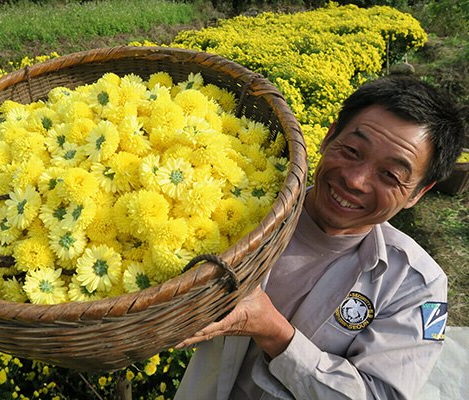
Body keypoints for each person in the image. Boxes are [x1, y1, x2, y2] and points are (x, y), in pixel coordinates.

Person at [174, 75, 466, 399]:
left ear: (417, 193)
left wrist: (274, 332)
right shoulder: (243, 211)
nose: (355, 180)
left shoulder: (416, 285)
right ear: (328, 138)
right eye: (353, 151)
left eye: (390, 175)